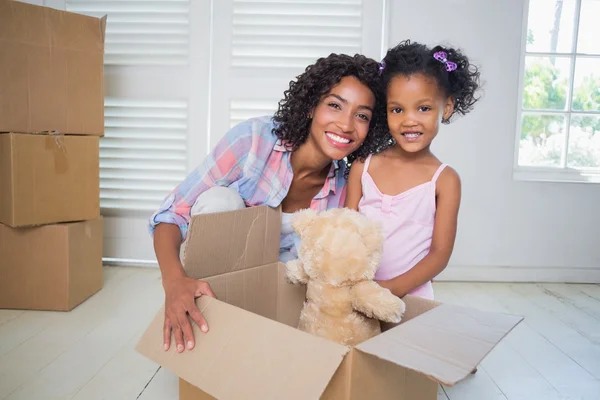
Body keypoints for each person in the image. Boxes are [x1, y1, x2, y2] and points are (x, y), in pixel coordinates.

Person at [149, 53, 389, 353]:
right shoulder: (251, 141)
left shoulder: (346, 186)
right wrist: (174, 283)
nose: (346, 124)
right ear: (311, 105)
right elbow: (171, 215)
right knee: (219, 200)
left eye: (362, 115)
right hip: (217, 280)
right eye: (335, 105)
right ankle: (201, 319)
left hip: (278, 295)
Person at [345, 40, 481, 300]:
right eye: (397, 109)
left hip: (412, 296)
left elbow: (440, 253)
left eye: (424, 108)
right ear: (386, 111)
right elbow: (345, 230)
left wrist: (393, 289)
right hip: (357, 291)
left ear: (447, 108)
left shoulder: (445, 180)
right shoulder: (363, 167)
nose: (409, 120)